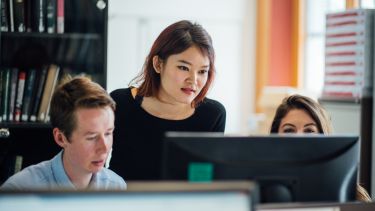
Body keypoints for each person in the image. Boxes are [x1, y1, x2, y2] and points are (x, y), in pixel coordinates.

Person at [109, 20, 226, 180]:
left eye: (202, 71)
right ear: (158, 64)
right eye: (183, 68)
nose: (194, 80)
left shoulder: (212, 114)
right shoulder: (120, 103)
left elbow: (205, 180)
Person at [1, 77, 126, 190]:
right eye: (92, 137)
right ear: (61, 138)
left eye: (108, 133)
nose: (104, 148)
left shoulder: (117, 187)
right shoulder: (18, 191)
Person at [270, 94, 372, 202]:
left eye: (309, 131)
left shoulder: (351, 194)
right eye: (289, 130)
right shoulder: (258, 188)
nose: (299, 137)